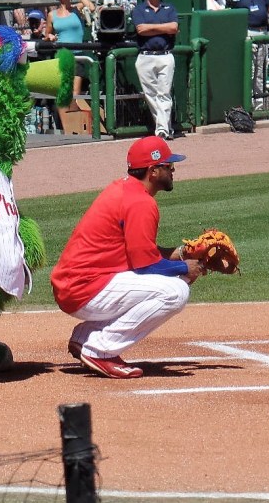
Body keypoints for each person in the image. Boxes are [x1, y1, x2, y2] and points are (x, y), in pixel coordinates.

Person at [51, 134, 202, 378]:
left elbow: (139, 252)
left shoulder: (125, 190)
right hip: (86, 289)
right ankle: (100, 350)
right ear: (153, 171)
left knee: (174, 281)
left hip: (79, 284)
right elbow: (146, 266)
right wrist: (185, 269)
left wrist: (183, 254)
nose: (173, 170)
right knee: (176, 291)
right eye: (168, 165)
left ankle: (85, 337)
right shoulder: (141, 203)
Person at [131, 0, 178, 140]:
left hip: (165, 55)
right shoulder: (139, 9)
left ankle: (162, 130)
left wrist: (152, 28)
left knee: (164, 93)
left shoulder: (169, 7)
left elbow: (174, 28)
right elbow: (141, 30)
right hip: (145, 57)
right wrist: (163, 28)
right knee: (151, 95)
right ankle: (166, 128)